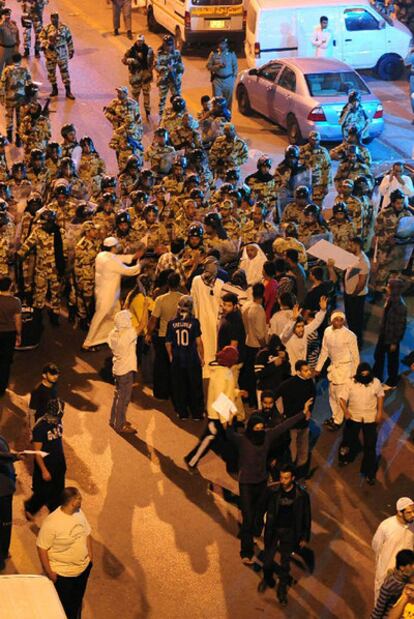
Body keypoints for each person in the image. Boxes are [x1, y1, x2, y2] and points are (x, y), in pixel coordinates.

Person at [227, 407, 312, 566]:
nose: (259, 431)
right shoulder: (242, 440)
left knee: (259, 514)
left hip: (262, 483)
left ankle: (253, 533)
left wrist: (302, 412)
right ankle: (246, 551)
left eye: (261, 428)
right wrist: (229, 421)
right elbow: (229, 434)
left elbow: (285, 425)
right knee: (248, 517)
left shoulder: (267, 436)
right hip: (246, 484)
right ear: (250, 429)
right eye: (256, 428)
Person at [258, 463, 312, 606]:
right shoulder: (273, 490)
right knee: (268, 560)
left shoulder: (302, 496)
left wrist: (304, 537)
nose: (283, 481)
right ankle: (267, 578)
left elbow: (306, 517)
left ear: (293, 478)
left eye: (286, 478)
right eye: (281, 477)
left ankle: (281, 591)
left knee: (285, 564)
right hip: (273, 530)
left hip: (290, 532)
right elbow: (261, 508)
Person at [37, 487, 93, 619]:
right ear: (72, 501)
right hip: (63, 575)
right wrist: (49, 572)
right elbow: (41, 547)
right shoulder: (52, 522)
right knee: (62, 606)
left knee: (76, 602)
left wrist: (90, 557)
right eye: (79, 498)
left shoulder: (79, 512)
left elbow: (87, 532)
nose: (81, 500)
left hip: (82, 569)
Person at [82, 237, 144, 351]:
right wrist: (140, 265)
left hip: (105, 292)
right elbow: (128, 271)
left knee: (113, 315)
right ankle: (88, 342)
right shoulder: (110, 261)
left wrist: (134, 257)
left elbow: (118, 258)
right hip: (108, 294)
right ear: (112, 247)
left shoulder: (101, 256)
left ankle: (108, 337)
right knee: (100, 316)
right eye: (116, 247)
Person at [339, 362, 384, 485]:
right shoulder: (350, 383)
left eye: (366, 375)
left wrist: (379, 412)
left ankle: (369, 473)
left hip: (370, 419)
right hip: (354, 417)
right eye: (362, 375)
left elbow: (380, 396)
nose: (364, 377)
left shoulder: (376, 382)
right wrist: (346, 411)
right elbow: (342, 398)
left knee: (370, 446)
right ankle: (344, 458)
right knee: (347, 440)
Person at [315, 311, 360, 431]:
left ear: (344, 321)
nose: (338, 322)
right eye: (336, 319)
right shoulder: (327, 331)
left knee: (341, 396)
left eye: (341, 319)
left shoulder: (350, 335)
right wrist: (318, 367)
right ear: (331, 320)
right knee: (332, 394)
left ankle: (338, 421)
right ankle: (335, 416)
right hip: (333, 368)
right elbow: (324, 351)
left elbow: (355, 355)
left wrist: (355, 372)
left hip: (346, 369)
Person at [24, 398, 66, 520]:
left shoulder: (57, 422)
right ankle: (30, 507)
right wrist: (44, 470)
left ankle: (55, 511)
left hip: (58, 463)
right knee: (43, 492)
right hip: (47, 466)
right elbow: (37, 453)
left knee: (59, 489)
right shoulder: (40, 428)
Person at [165, 295, 205, 420]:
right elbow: (199, 342)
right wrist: (202, 357)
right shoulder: (194, 322)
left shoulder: (171, 323)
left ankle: (182, 412)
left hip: (177, 358)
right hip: (191, 358)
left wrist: (171, 356)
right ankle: (197, 413)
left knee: (179, 386)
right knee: (195, 386)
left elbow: (168, 343)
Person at [146, 271, 183, 399]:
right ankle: (175, 392)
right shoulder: (184, 299)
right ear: (179, 284)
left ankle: (161, 393)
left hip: (163, 335)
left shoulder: (160, 299)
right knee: (176, 365)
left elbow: (153, 319)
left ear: (168, 284)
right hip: (178, 336)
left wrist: (149, 334)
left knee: (161, 365)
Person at [372, 498, 414, 601]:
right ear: (400, 512)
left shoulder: (413, 525)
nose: (413, 514)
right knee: (381, 604)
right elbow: (376, 546)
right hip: (386, 575)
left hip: (405, 575)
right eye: (409, 512)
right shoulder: (386, 526)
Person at [191, 258, 224, 375]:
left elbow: (193, 302)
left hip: (202, 320)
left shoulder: (196, 281)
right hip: (212, 321)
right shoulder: (220, 283)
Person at [373, 279, 407, 389]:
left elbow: (400, 326)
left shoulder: (400, 306)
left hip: (391, 338)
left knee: (392, 359)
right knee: (379, 355)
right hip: (384, 334)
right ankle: (377, 375)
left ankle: (392, 382)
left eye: (389, 286)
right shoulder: (390, 299)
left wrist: (394, 342)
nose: (386, 287)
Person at [108, 310, 138, 434]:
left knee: (117, 396)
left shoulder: (112, 334)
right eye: (128, 319)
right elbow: (142, 325)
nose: (130, 321)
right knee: (123, 399)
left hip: (117, 369)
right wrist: (146, 307)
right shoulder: (128, 334)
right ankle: (120, 425)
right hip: (125, 371)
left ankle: (113, 419)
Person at [281, 297, 327, 373]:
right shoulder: (287, 336)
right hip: (292, 373)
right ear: (293, 327)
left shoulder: (305, 331)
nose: (301, 329)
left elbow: (316, 322)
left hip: (304, 372)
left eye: (302, 326)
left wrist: (322, 311)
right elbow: (285, 334)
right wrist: (293, 320)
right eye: (298, 327)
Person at [241, 283, 267, 406]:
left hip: (247, 342)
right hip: (256, 346)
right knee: (255, 376)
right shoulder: (259, 310)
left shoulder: (246, 306)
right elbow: (260, 334)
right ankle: (253, 400)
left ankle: (246, 397)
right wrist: (265, 345)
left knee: (248, 373)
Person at [39, 12, 75, 99]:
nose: (54, 19)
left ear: (58, 18)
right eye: (52, 18)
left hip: (62, 54)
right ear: (50, 18)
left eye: (55, 17)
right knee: (51, 73)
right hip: (50, 55)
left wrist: (71, 50)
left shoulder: (64, 28)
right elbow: (41, 38)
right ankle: (54, 89)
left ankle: (68, 91)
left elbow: (69, 39)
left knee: (65, 73)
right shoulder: (46, 28)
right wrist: (47, 44)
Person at [371, 549, 414, 619]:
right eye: (411, 565)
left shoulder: (408, 579)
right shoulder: (389, 586)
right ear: (402, 567)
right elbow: (378, 611)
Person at [0, 434, 22, 571]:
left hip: (5, 488)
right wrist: (15, 457)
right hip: (2, 492)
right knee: (4, 525)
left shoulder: (1, 437)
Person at [0, 52, 32, 147]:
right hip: (21, 98)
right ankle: (18, 139)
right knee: (20, 118)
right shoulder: (24, 70)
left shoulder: (6, 70)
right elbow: (29, 83)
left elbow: (2, 83)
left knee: (9, 117)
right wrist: (28, 96)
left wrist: (1, 96)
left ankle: (9, 137)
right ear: (20, 60)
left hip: (9, 98)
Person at [343, 236, 370, 347]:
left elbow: (361, 283)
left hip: (356, 296)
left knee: (356, 322)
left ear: (357, 245)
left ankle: (357, 344)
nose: (349, 247)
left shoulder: (363, 261)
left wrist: (352, 295)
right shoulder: (354, 256)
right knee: (350, 318)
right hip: (349, 294)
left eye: (351, 245)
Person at [122, 34, 154, 118]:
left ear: (143, 41)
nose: (139, 43)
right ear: (136, 41)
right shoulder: (131, 50)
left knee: (146, 93)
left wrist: (151, 71)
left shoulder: (148, 50)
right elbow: (124, 60)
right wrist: (130, 60)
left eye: (141, 41)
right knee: (135, 95)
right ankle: (136, 113)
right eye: (138, 41)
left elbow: (152, 61)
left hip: (145, 75)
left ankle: (147, 111)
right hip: (135, 75)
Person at [0, 277, 22, 396]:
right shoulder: (15, 302)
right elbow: (18, 321)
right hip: (9, 334)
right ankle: (2, 387)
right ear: (10, 287)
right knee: (5, 362)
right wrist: (19, 335)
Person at [207, 38, 238, 109]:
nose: (223, 45)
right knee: (217, 101)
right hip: (218, 80)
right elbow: (208, 66)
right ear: (218, 44)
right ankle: (216, 117)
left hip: (229, 80)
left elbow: (235, 66)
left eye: (224, 44)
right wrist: (217, 67)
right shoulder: (214, 54)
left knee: (228, 101)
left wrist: (234, 78)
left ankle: (228, 117)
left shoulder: (231, 53)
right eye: (221, 44)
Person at [0, 8, 20, 74]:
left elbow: (17, 35)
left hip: (12, 49)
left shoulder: (13, 24)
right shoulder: (1, 25)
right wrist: (2, 22)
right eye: (6, 14)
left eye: (9, 14)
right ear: (2, 15)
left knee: (10, 70)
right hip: (3, 49)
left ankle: (7, 83)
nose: (8, 16)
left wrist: (17, 47)